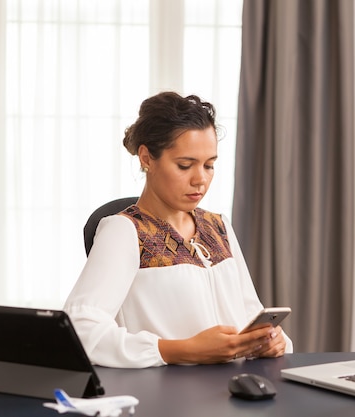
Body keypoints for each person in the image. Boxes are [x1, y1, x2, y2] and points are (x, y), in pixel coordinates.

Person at [64, 92, 293, 368]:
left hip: (234, 393)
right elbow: (80, 328)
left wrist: (271, 340)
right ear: (146, 158)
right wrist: (178, 350)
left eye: (209, 165)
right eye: (185, 165)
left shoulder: (218, 226)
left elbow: (249, 313)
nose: (201, 179)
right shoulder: (124, 231)